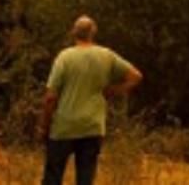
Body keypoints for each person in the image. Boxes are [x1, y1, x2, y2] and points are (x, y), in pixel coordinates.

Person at [40, 15, 142, 185]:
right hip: (92, 126)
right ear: (93, 33)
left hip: (64, 126)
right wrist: (113, 91)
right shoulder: (106, 55)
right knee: (86, 177)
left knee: (53, 176)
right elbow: (136, 76)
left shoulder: (64, 57)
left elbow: (51, 97)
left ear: (74, 33)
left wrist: (44, 125)